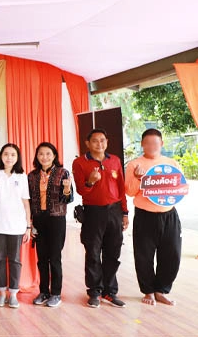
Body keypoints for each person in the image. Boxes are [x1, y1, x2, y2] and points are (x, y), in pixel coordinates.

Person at [125, 128, 182, 306]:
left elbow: (179, 187)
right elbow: (130, 191)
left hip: (169, 214)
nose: (151, 146)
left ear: (161, 144)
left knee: (172, 253)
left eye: (155, 143)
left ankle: (162, 290)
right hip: (144, 216)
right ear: (142, 144)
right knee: (144, 255)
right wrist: (137, 178)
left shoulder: (171, 163)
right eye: (147, 143)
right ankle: (148, 291)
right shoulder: (134, 164)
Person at [72, 128, 128, 308]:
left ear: (107, 142)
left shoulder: (115, 161)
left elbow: (121, 189)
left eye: (102, 140)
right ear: (88, 144)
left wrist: (125, 213)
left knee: (113, 253)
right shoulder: (80, 162)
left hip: (114, 211)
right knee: (93, 253)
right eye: (95, 141)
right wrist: (91, 181)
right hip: (93, 212)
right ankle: (95, 291)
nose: (99, 144)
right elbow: (81, 189)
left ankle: (110, 292)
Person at [27, 142, 72, 308]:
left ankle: (56, 294)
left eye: (48, 154)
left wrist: (67, 189)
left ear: (54, 156)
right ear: (36, 157)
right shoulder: (32, 176)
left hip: (56, 219)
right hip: (39, 219)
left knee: (55, 257)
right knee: (41, 259)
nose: (44, 157)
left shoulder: (62, 173)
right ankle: (43, 291)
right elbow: (30, 201)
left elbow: (67, 199)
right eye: (41, 154)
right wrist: (31, 223)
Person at [0, 143, 31, 309]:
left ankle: (13, 294)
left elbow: (25, 202)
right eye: (6, 154)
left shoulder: (21, 176)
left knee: (15, 260)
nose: (9, 157)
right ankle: (1, 293)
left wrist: (28, 226)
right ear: (1, 156)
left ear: (17, 157)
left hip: (17, 225)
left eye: (13, 154)